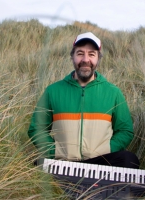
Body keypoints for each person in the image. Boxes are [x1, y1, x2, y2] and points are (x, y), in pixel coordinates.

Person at [27, 32, 139, 169]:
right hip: (63, 162)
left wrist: (108, 149)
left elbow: (125, 130)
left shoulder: (113, 92)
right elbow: (36, 128)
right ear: (72, 57)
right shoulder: (52, 91)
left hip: (100, 162)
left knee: (130, 160)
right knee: (36, 167)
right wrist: (52, 152)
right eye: (80, 53)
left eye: (91, 54)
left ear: (98, 59)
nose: (85, 59)